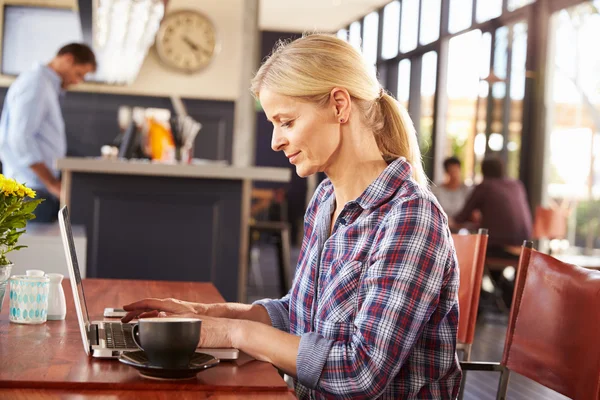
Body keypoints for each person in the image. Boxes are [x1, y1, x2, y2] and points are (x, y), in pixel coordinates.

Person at [122, 34, 461, 399]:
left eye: (286, 121)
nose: (275, 141)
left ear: (339, 106)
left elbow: (360, 372)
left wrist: (231, 333)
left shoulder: (409, 216)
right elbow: (301, 315)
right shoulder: (326, 200)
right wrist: (205, 314)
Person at [0, 43, 96, 222]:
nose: (77, 82)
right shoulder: (36, 84)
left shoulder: (45, 85)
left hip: (34, 189)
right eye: (79, 74)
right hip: (30, 191)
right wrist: (52, 183)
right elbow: (20, 138)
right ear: (67, 59)